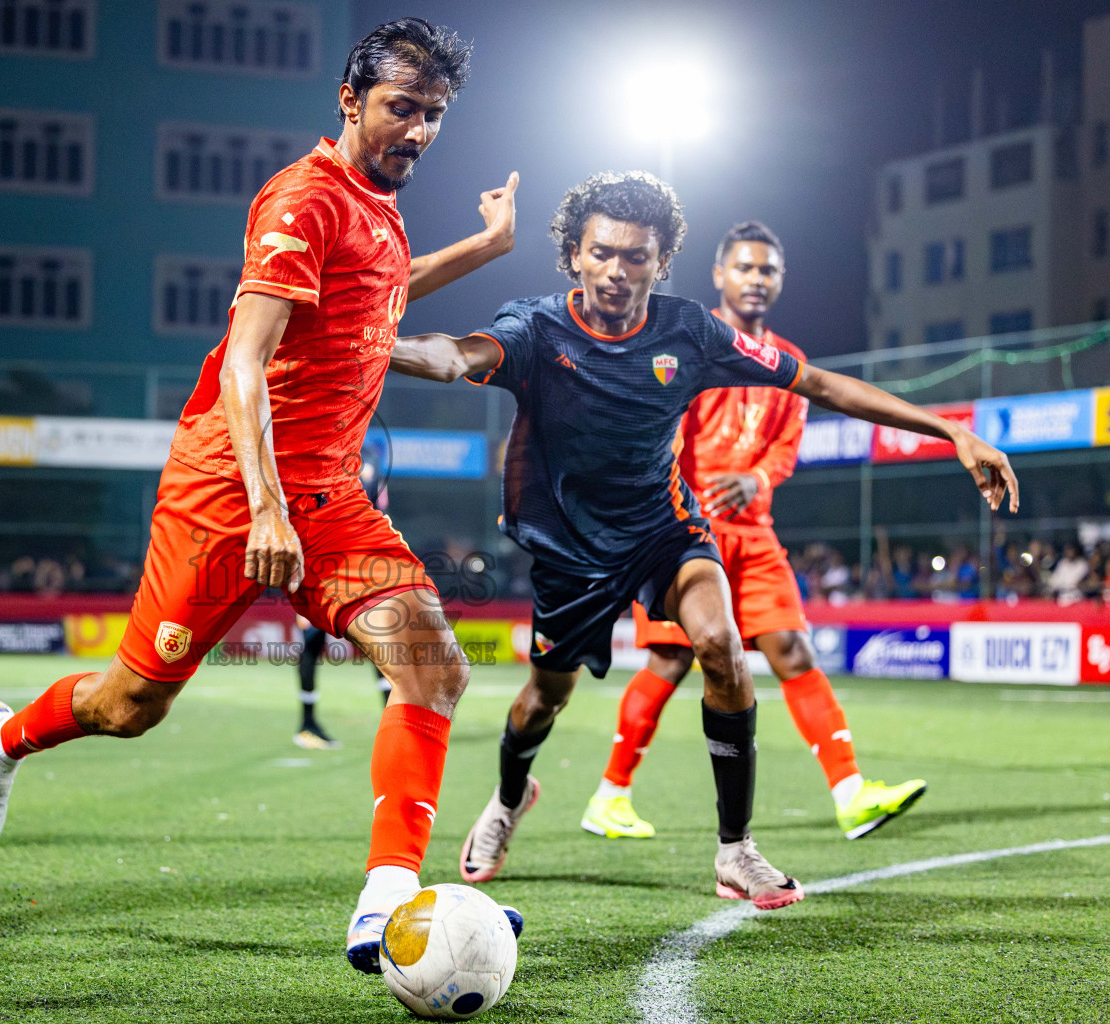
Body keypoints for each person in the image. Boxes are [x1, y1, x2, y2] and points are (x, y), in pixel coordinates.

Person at [0, 18, 523, 974]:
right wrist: (264, 506)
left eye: (432, 115)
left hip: (331, 496)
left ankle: (385, 907)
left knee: (432, 663)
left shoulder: (379, 209)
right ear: (350, 100)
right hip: (227, 490)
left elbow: (379, 293)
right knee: (131, 705)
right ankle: (2, 737)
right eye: (400, 108)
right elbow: (244, 366)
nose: (418, 131)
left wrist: (488, 247)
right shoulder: (303, 198)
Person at [388, 172, 1018, 910]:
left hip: (665, 529)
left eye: (637, 258)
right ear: (572, 257)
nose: (618, 272)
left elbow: (816, 385)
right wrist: (379, 346)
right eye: (602, 254)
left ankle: (735, 851)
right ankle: (506, 800)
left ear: (661, 262)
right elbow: (456, 355)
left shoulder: (691, 332)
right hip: (569, 552)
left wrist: (949, 430)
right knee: (541, 699)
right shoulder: (536, 328)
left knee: (720, 645)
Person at [581, 221, 926, 845]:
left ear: (780, 280)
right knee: (671, 655)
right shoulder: (690, 343)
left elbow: (785, 451)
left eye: (767, 270)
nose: (756, 280)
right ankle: (610, 795)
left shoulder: (788, 364)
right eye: (744, 268)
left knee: (793, 650)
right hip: (681, 531)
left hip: (755, 534)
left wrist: (756, 483)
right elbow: (663, 427)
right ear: (720, 276)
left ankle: (851, 795)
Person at [294, 443, 393, 750]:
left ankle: (393, 724)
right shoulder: (326, 451)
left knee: (379, 642)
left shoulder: (368, 456)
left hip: (356, 563)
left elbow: (377, 513)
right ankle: (307, 724)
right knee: (312, 641)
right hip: (320, 562)